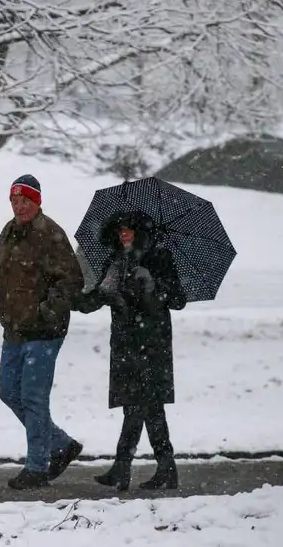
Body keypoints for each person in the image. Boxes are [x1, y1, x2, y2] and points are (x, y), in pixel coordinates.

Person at [73, 210, 186, 491]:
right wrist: (77, 300)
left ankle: (128, 468)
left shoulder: (159, 258)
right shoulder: (116, 261)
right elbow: (100, 296)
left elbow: (178, 299)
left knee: (143, 406)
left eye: (129, 229)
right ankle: (156, 468)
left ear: (141, 232)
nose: (123, 234)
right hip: (125, 343)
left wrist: (153, 283)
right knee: (140, 407)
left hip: (152, 343)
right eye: (120, 230)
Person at [0, 174, 85, 489]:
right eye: (14, 200)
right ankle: (61, 444)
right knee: (9, 391)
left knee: (32, 396)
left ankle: (37, 466)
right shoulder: (8, 232)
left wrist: (46, 311)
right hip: (14, 328)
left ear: (37, 202)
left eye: (25, 200)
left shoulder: (51, 234)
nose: (19, 206)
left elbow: (71, 280)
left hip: (44, 331)